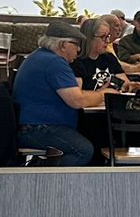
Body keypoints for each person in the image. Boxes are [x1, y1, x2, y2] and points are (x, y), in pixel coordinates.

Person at [11, 21, 104, 166]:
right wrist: (103, 94)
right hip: (38, 128)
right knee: (83, 150)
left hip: (32, 126)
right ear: (63, 45)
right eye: (76, 44)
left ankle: (40, 169)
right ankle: (43, 175)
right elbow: (77, 100)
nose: (79, 50)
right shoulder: (54, 63)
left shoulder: (39, 56)